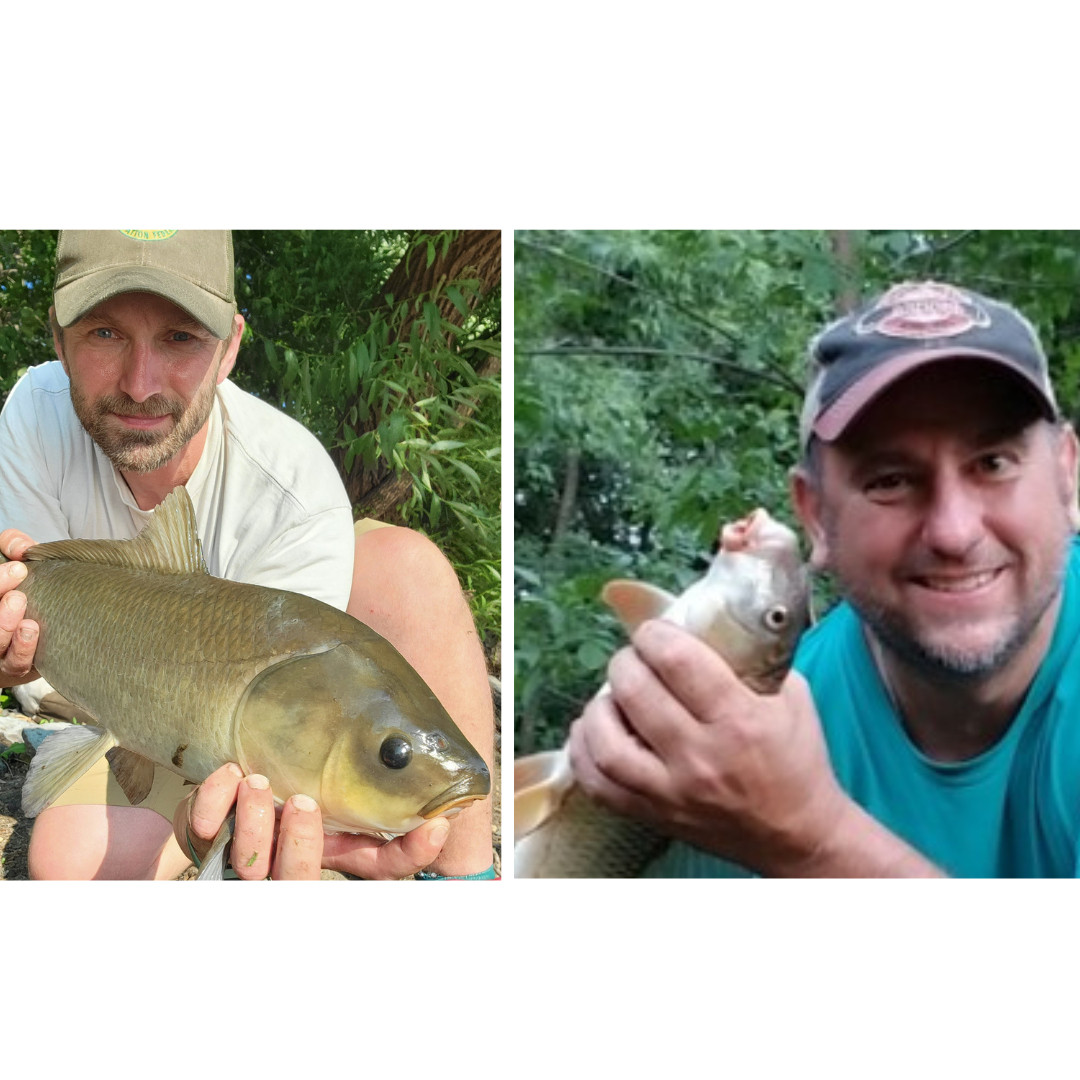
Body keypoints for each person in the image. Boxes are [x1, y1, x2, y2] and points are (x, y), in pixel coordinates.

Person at [0, 229, 495, 881]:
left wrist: (225, 816)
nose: (141, 384)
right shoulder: (33, 413)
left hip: (212, 718)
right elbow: (30, 615)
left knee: (405, 564)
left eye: (181, 337)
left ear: (231, 346)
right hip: (106, 688)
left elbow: (268, 743)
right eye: (104, 334)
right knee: (66, 862)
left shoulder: (295, 486)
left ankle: (468, 881)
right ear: (59, 341)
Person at [567, 280, 1080, 877]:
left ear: (1068, 477)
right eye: (889, 479)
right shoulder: (736, 757)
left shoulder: (762, 797)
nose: (953, 532)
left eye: (993, 464)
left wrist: (808, 837)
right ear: (816, 515)